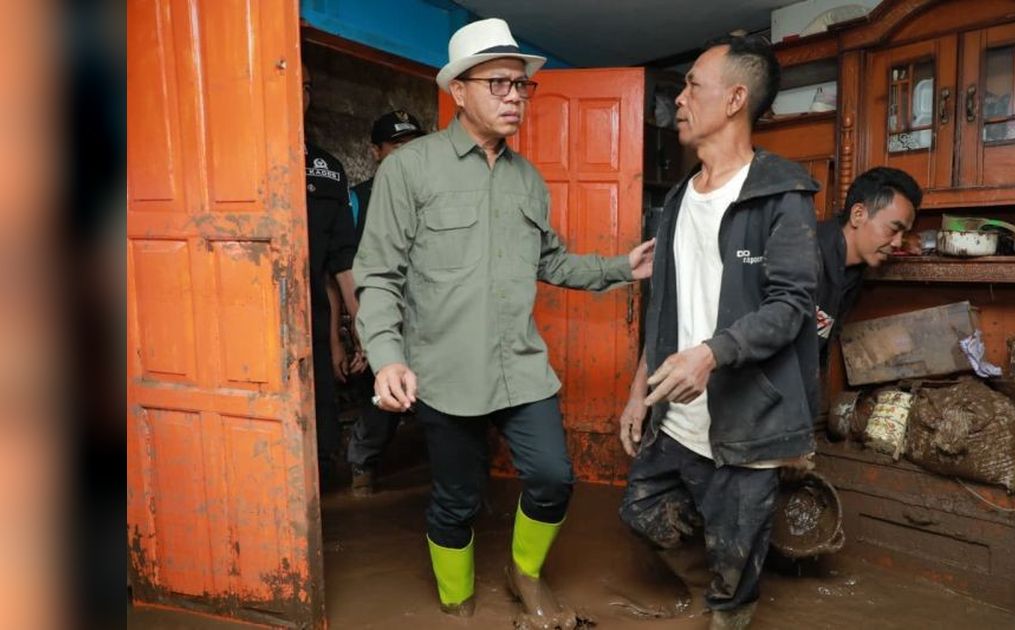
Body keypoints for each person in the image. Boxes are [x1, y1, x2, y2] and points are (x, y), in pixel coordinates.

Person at [352, 18, 655, 627]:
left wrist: (621, 267)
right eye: (499, 83)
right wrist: (386, 357)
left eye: (521, 85)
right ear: (458, 91)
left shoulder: (528, 180)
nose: (515, 96)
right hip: (444, 369)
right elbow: (378, 274)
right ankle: (456, 601)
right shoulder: (409, 170)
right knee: (457, 498)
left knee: (553, 477)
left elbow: (551, 261)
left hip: (519, 365)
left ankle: (524, 571)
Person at [615, 35, 820, 630]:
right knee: (641, 511)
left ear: (734, 99)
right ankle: (711, 591)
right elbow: (665, 307)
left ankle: (729, 604)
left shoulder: (782, 194)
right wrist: (639, 390)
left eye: (691, 86)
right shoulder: (680, 198)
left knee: (734, 568)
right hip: (677, 415)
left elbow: (791, 306)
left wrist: (711, 354)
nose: (678, 100)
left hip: (748, 419)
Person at [344, 110, 427, 497]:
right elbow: (343, 265)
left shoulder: (432, 192)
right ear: (375, 151)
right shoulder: (357, 200)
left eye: (413, 144)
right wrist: (357, 324)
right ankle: (363, 464)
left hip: (427, 313)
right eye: (396, 145)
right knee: (382, 395)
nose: (406, 152)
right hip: (380, 311)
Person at [302, 63, 358, 486]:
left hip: (312, 323)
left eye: (305, 86)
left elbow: (341, 261)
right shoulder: (226, 160)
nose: (298, 94)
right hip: (243, 327)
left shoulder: (327, 169)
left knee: (320, 426)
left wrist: (359, 328)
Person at [814, 166, 920, 371]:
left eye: (903, 234)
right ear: (858, 214)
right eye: (893, 229)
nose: (898, 243)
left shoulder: (854, 271)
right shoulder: (803, 253)